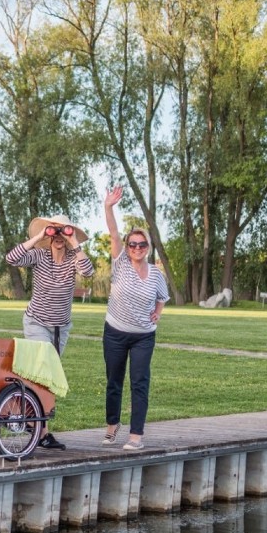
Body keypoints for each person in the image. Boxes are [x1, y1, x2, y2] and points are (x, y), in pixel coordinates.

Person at [5, 214, 94, 450]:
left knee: (48, 377)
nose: (58, 237)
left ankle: (37, 426)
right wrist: (38, 236)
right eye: (53, 231)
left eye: (63, 232)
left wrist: (74, 242)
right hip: (37, 323)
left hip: (61, 327)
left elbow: (88, 272)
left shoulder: (74, 257)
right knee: (40, 372)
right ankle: (36, 426)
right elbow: (12, 258)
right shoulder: (39, 255)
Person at [101, 186, 170, 451]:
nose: (137, 248)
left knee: (140, 383)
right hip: (115, 332)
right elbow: (114, 233)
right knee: (113, 382)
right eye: (133, 244)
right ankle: (111, 426)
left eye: (142, 244)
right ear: (127, 248)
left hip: (143, 336)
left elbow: (162, 297)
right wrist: (109, 207)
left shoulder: (155, 274)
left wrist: (158, 313)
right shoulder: (119, 264)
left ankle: (136, 436)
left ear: (148, 248)